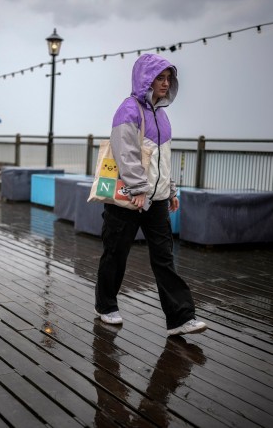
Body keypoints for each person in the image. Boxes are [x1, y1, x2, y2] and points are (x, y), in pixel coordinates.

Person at [94, 53, 207, 337]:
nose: (166, 83)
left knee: (164, 258)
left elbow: (162, 159)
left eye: (169, 78)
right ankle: (105, 306)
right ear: (146, 79)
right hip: (129, 198)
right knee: (115, 254)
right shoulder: (128, 110)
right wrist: (138, 189)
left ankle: (181, 318)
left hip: (154, 200)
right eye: (160, 78)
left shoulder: (163, 116)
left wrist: (170, 191)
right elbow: (125, 153)